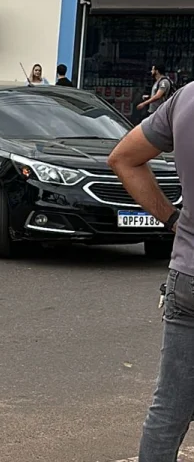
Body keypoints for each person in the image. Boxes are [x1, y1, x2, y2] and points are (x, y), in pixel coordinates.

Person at [108, 85, 194, 460]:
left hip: (188, 275)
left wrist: (172, 219)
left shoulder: (185, 99)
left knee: (170, 408)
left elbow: (123, 158)